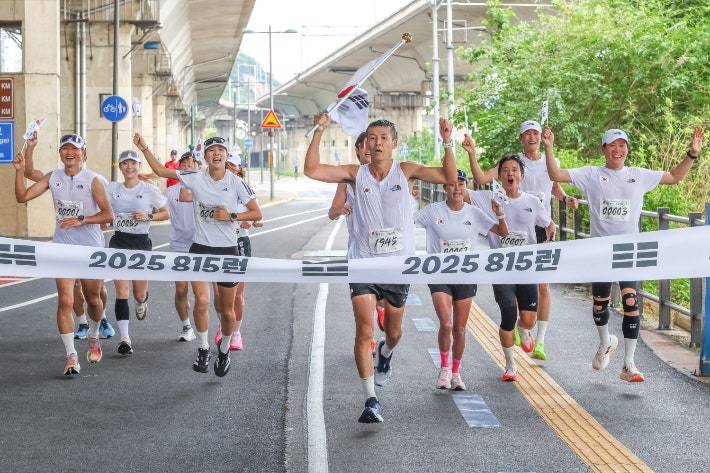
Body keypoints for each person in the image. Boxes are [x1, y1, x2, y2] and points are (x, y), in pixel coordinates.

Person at [305, 113, 457, 423]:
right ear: (365, 144)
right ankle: (370, 399)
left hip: (397, 267)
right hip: (363, 263)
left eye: (383, 138)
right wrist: (319, 131)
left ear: (394, 144)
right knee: (364, 330)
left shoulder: (406, 171)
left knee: (394, 332)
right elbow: (312, 170)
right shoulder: (354, 174)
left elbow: (448, 177)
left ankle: (386, 354)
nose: (377, 143)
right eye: (372, 138)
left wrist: (447, 142)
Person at [545, 126, 704, 382]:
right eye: (612, 145)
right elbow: (555, 174)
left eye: (622, 145)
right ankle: (605, 342)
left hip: (628, 251)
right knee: (600, 303)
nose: (618, 150)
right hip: (600, 251)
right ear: (604, 149)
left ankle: (629, 363)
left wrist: (692, 154)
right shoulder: (591, 174)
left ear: (627, 149)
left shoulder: (638, 175)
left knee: (631, 302)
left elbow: (674, 177)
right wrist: (549, 146)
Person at [135, 134, 261, 377]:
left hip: (227, 252)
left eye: (221, 150)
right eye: (212, 150)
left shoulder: (236, 182)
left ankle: (224, 349)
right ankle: (203, 349)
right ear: (205, 156)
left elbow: (256, 213)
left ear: (226, 155)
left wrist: (231, 216)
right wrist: (145, 148)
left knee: (227, 310)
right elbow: (161, 171)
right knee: (202, 301)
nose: (217, 154)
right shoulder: (195, 177)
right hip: (200, 249)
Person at [464, 120, 579, 361]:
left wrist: (565, 198)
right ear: (521, 139)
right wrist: (472, 154)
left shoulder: (551, 161)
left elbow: (554, 186)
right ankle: (518, 324)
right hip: (514, 222)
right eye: (527, 134)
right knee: (515, 290)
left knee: (543, 285)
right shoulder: (513, 164)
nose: (532, 137)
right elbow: (481, 177)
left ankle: (540, 340)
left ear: (542, 137)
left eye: (535, 133)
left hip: (538, 224)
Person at [13, 134, 113, 375]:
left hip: (90, 249)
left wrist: (82, 219)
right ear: (60, 153)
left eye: (75, 149)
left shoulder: (93, 180)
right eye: (65, 148)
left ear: (83, 153)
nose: (70, 152)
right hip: (62, 247)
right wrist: (19, 171)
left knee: (93, 300)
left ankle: (93, 335)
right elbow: (22, 196)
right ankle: (71, 356)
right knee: (65, 301)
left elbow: (108, 215)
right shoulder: (53, 177)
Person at [415, 169, 507, 390]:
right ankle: (444, 369)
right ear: (445, 187)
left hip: (465, 276)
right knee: (446, 323)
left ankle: (456, 373)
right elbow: (406, 222)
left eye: (461, 184)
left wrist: (500, 214)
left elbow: (502, 232)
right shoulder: (433, 211)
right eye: (452, 184)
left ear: (466, 187)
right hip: (439, 275)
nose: (457, 188)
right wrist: (407, 198)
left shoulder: (474, 213)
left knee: (459, 328)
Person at [469, 155, 555, 381]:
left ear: (521, 176)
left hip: (526, 268)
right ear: (499, 176)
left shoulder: (532, 202)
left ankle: (523, 328)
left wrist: (545, 243)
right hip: (501, 268)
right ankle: (510, 365)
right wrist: (470, 153)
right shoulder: (489, 198)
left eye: (515, 170)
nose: (510, 173)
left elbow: (548, 225)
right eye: (505, 170)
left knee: (529, 319)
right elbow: (460, 191)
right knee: (508, 311)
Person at [107, 150, 169, 355]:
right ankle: (125, 338)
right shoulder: (112, 188)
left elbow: (166, 213)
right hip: (119, 241)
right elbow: (102, 207)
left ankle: (141, 302)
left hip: (141, 242)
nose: (129, 167)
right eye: (125, 163)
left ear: (139, 166)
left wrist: (149, 216)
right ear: (120, 167)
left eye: (133, 163)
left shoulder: (149, 189)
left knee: (139, 293)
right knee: (122, 290)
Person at [328, 132, 385, 353]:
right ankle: (369, 338)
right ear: (358, 152)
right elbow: (332, 212)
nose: (370, 151)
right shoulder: (347, 180)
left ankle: (381, 308)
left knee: (383, 303)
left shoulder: (386, 176)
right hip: (359, 252)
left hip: (387, 252)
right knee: (363, 305)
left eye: (372, 146)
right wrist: (339, 209)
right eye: (365, 147)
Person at [213, 153, 261, 351]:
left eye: (234, 165)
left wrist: (248, 221)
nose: (231, 168)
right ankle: (223, 324)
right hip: (217, 243)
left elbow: (256, 215)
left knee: (238, 293)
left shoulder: (243, 187)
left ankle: (236, 333)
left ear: (239, 168)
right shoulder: (214, 186)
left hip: (239, 242)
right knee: (219, 293)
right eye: (228, 165)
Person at [163, 151, 200, 342]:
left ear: (198, 168)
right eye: (184, 164)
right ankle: (187, 326)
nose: (188, 167)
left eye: (192, 164)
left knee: (201, 293)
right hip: (179, 246)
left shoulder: (204, 190)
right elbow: (159, 210)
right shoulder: (170, 192)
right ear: (178, 169)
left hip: (201, 245)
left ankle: (205, 330)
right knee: (180, 289)